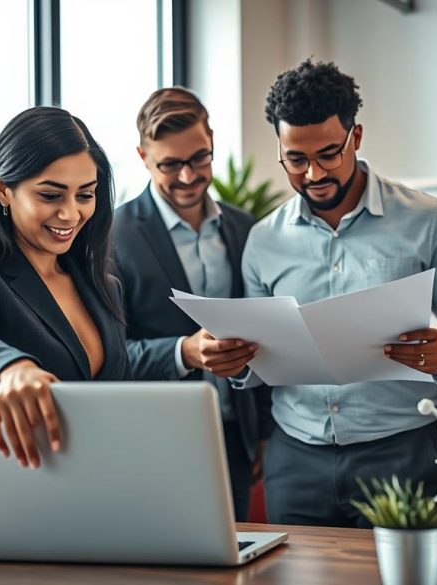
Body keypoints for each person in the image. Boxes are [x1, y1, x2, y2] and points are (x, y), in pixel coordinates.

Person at [228, 59, 437, 527]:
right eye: (296, 159)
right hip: (295, 457)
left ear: (357, 136)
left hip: (401, 452)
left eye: (329, 154)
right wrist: (236, 358)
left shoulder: (428, 219)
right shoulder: (263, 240)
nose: (313, 174)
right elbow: (257, 356)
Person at [0, 107, 130, 470]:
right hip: (5, 495)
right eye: (51, 195)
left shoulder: (102, 285)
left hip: (100, 489)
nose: (70, 214)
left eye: (85, 195)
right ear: (3, 189)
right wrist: (13, 368)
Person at [112, 87, 274, 521]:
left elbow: (266, 331)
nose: (187, 177)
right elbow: (105, 355)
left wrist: (261, 431)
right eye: (169, 164)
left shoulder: (244, 228)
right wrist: (183, 352)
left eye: (199, 158)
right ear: (143, 157)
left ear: (212, 141)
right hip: (154, 440)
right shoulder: (112, 236)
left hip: (236, 437)